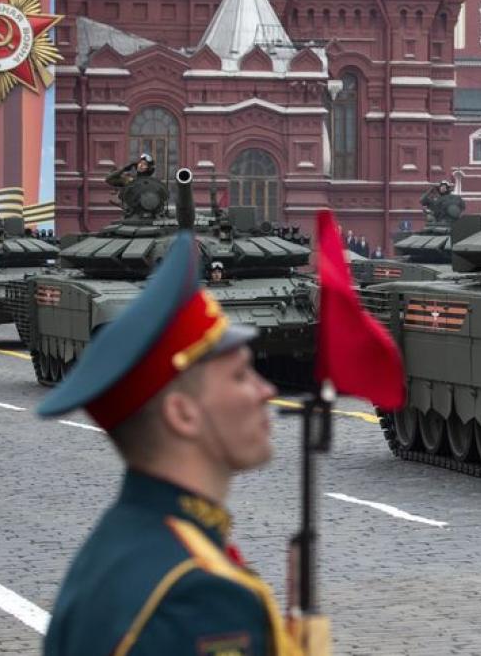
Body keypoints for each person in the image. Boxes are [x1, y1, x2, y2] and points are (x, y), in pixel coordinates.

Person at [38, 233, 301, 656]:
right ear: (182, 413)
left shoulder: (114, 552)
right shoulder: (200, 597)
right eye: (239, 376)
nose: (266, 390)